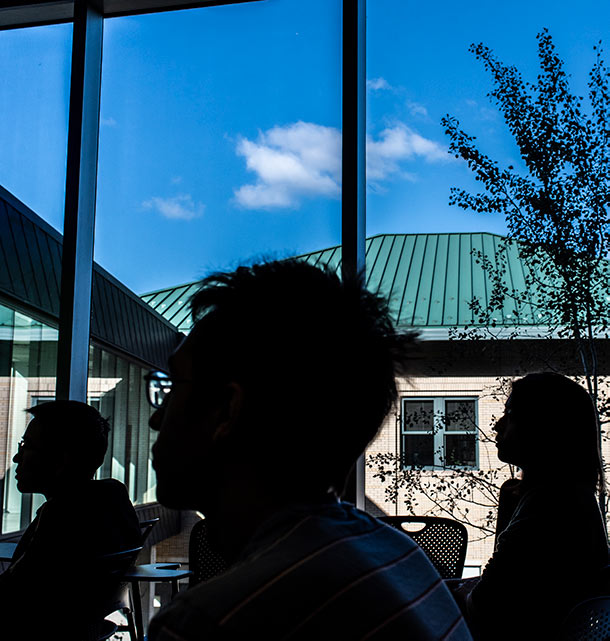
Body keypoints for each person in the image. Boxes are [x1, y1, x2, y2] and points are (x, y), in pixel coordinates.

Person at [147, 259, 473, 641]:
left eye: (175, 386)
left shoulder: (209, 623)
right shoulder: (398, 555)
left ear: (227, 410)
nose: (157, 418)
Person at [454, 372, 608, 640]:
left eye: (510, 414)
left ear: (541, 426)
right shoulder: (570, 496)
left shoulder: (549, 507)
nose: (497, 425)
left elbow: (485, 604)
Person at [0, 400, 142, 639]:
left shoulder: (62, 520)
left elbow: (14, 599)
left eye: (26, 446)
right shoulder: (111, 504)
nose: (16, 458)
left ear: (61, 460)